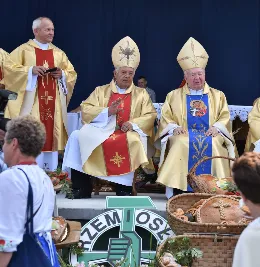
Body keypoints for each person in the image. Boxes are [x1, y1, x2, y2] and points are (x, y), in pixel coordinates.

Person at [62, 36, 157, 198]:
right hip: (101, 131)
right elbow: (86, 109)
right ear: (115, 73)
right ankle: (81, 187)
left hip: (127, 132)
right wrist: (107, 112)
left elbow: (150, 114)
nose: (126, 76)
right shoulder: (101, 91)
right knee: (77, 136)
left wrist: (133, 123)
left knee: (132, 141)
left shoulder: (141, 94)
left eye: (130, 73)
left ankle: (124, 188)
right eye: (123, 72)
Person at [155, 37, 235, 198]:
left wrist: (217, 128)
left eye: (200, 74)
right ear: (185, 76)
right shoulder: (174, 95)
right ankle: (179, 188)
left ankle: (216, 188)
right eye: (193, 75)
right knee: (180, 143)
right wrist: (174, 128)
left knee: (214, 144)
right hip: (182, 134)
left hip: (210, 134)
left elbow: (224, 117)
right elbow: (166, 118)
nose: (197, 78)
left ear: (205, 74)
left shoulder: (218, 95)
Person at [2, 17, 77, 171]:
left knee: (51, 137)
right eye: (47, 29)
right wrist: (30, 71)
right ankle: (32, 172)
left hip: (52, 105)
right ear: (36, 31)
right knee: (33, 133)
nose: (51, 33)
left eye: (53, 30)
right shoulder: (23, 50)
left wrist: (61, 74)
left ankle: (54, 176)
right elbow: (8, 70)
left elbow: (72, 73)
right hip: (33, 106)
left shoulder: (58, 53)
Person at [0, 115, 59, 267]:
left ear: (14, 143)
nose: (3, 148)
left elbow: (6, 240)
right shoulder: (43, 177)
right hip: (45, 255)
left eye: (4, 142)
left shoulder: (11, 178)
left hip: (23, 257)